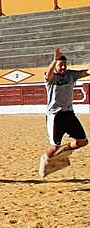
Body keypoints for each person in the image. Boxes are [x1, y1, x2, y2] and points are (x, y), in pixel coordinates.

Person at [39, 48, 89, 178]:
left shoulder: (71, 75)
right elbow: (48, 74)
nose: (63, 67)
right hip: (55, 115)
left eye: (65, 65)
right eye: (60, 65)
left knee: (82, 141)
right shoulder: (51, 78)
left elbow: (86, 72)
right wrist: (54, 60)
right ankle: (46, 158)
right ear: (55, 65)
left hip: (69, 114)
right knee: (54, 146)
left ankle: (63, 151)